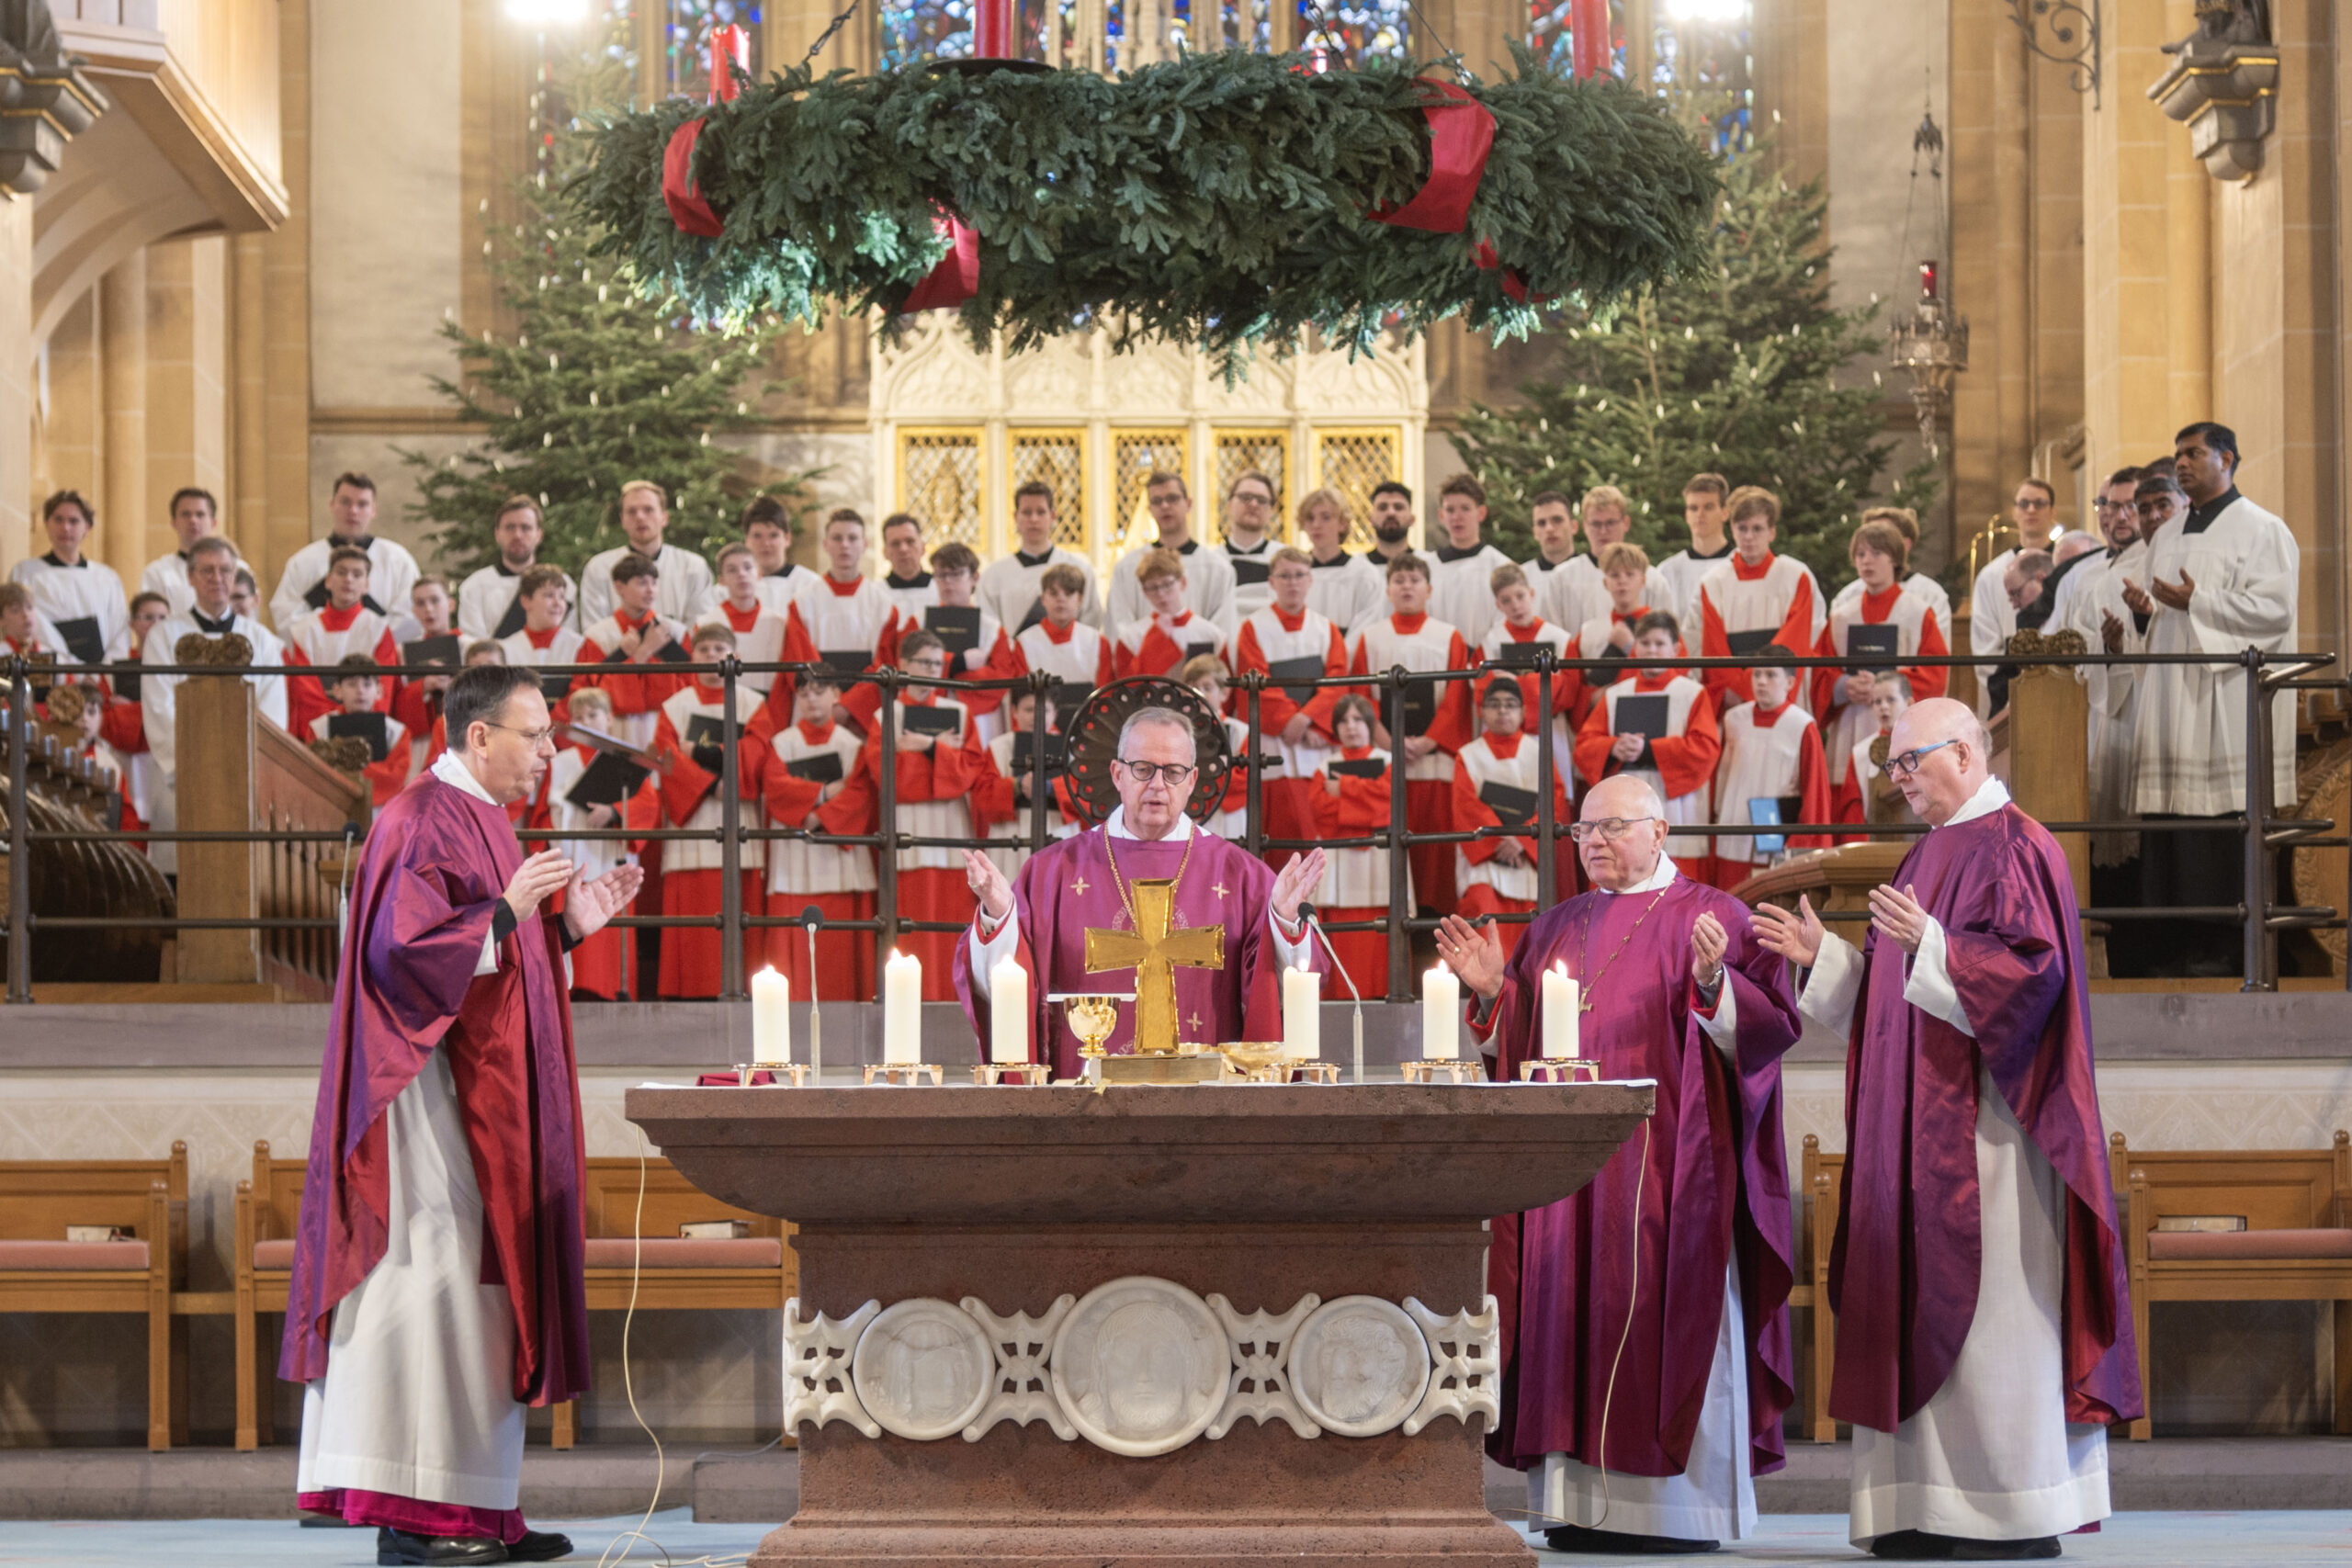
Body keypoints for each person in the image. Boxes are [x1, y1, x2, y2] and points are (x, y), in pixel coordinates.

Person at [1754, 697, 2140, 1558]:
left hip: (1991, 1137)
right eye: (1890, 765)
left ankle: (2005, 1512)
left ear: (1965, 753)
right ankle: (1919, 1506)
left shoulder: (2017, 844)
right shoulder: (1925, 853)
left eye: (1909, 760)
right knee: (1910, 1309)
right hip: (1909, 1135)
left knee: (1993, 1321)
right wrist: (1827, 962)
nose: (1896, 779)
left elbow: (2033, 980)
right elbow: (1892, 1004)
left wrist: (1937, 947)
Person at [284, 662, 640, 1566]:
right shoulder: (419, 817)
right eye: (536, 734)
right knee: (430, 1289)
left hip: (472, 1098)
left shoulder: (480, 815)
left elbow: (495, 964)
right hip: (422, 1106)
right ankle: (417, 1524)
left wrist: (561, 929)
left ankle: (480, 1510)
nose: (550, 750)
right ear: (479, 736)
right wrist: (507, 914)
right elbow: (400, 954)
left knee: (476, 1302)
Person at [1440, 772, 1801, 1557]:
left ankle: (1676, 1512)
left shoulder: (1717, 916)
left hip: (1672, 1165)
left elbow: (1769, 1030)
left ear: (1660, 831)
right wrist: (1494, 997)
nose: (1594, 842)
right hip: (1568, 1180)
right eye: (1583, 830)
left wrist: (1715, 984)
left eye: (1612, 827)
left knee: (1665, 1316)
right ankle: (1577, 1504)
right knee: (1569, 1319)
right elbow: (1522, 1046)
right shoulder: (1555, 926)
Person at [955, 705, 1327, 1075]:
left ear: (1192, 780)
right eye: (1143, 769)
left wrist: (1284, 922)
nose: (1158, 785)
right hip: (1084, 1097)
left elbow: (1281, 994)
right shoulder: (1052, 872)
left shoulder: (1242, 876)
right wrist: (998, 918)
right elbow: (1004, 983)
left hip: (1207, 1096)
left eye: (1173, 772)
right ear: (1117, 774)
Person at [2126, 422, 2301, 978]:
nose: (2181, 463)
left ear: (2226, 459)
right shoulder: (2167, 534)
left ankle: (2227, 947)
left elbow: (2275, 610)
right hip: (2172, 700)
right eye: (2177, 454)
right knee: (2172, 828)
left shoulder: (2263, 529)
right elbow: (2161, 615)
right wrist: (2143, 615)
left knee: (2221, 827)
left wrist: (2199, 602)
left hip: (2222, 701)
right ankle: (2173, 943)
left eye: (2193, 453)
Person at [827, 630, 987, 998]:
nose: (929, 670)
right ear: (903, 665)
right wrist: (942, 753)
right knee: (910, 916)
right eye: (922, 662)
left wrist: (922, 746)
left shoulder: (959, 712)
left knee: (951, 914)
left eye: (936, 664)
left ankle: (953, 995)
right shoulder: (886, 715)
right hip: (906, 825)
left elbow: (968, 772)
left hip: (950, 824)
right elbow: (888, 777)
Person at [142, 536, 288, 877]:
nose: (217, 578)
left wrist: (238, 763)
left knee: (240, 875)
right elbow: (160, 710)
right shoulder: (164, 636)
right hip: (183, 779)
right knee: (181, 877)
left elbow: (271, 714)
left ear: (235, 577)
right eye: (207, 571)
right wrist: (200, 765)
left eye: (225, 570)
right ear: (190, 577)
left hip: (244, 779)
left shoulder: (261, 640)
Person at [1347, 553, 1475, 915]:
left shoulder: (1448, 636)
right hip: (1388, 758)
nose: (1407, 587)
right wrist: (1386, 741)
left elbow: (1456, 697)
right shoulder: (1371, 638)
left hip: (1434, 762)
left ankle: (1436, 922)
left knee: (1435, 849)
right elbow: (1361, 697)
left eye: (1414, 580)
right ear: (1388, 589)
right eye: (1399, 580)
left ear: (1428, 589)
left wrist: (1429, 740)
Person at [650, 624, 768, 998]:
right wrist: (714, 785)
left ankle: (744, 990)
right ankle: (691, 992)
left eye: (720, 648)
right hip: (694, 824)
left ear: (735, 656)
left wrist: (702, 753)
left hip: (739, 819)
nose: (712, 655)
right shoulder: (675, 706)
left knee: (740, 909)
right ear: (693, 657)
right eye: (704, 649)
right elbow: (667, 759)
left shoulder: (753, 703)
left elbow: (757, 755)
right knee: (694, 914)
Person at [2068, 473, 2163, 919]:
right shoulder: (2090, 574)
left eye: (2130, 506)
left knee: (2142, 835)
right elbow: (2074, 641)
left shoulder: (2156, 561)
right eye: (2109, 505)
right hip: (2104, 715)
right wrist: (2104, 646)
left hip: (2144, 709)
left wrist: (2124, 641)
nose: (2119, 516)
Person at [1230, 548, 1351, 859]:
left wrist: (1308, 720)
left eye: (1299, 575)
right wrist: (1293, 722)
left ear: (1310, 580)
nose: (1292, 583)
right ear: (1271, 582)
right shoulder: (1253, 628)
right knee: (1281, 839)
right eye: (1284, 576)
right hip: (1276, 746)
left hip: (1316, 743)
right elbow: (1255, 683)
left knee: (1321, 837)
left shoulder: (1326, 629)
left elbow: (1337, 682)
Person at [758, 671, 874, 995]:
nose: (811, 699)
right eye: (804, 693)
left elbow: (860, 793)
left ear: (836, 694)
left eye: (819, 691)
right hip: (794, 852)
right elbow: (776, 788)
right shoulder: (781, 742)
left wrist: (816, 816)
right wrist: (824, 793)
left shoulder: (853, 744)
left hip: (837, 851)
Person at [1574, 613, 1720, 865]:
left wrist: (1649, 749)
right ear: (1635, 648)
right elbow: (1585, 745)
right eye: (1644, 643)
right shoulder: (1615, 694)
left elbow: (1705, 749)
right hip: (1623, 804)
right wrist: (1612, 748)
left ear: (1675, 650)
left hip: (1674, 805)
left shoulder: (1692, 693)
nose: (1652, 650)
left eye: (1659, 643)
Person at [542, 685, 657, 1000]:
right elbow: (542, 813)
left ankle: (613, 991)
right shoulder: (559, 760)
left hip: (609, 856)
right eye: (578, 717)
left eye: (593, 715)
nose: (586, 722)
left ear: (609, 718)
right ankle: (567, 994)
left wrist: (615, 812)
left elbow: (648, 804)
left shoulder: (626, 758)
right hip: (572, 859)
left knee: (609, 940)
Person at [1813, 519, 1949, 772]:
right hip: (1851, 724)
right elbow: (1818, 674)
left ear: (1895, 558)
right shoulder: (1841, 617)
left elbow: (1935, 674)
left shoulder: (1918, 613)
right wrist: (1843, 686)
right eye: (1860, 554)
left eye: (1876, 553)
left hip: (1903, 726)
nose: (1866, 561)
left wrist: (1883, 687)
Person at [1449, 678, 1570, 958]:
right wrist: (1502, 843)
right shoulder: (1468, 755)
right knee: (1482, 917)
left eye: (1510, 705)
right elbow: (1466, 807)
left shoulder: (1539, 753)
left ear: (1523, 712)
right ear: (1481, 711)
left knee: (1530, 935)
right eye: (1494, 705)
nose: (1502, 711)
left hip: (1526, 859)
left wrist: (1522, 841)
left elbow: (1553, 801)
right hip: (1485, 863)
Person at [1710, 648, 1832, 890]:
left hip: (1776, 834)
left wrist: (1803, 842)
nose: (1761, 681)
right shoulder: (1734, 719)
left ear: (1790, 682)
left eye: (1770, 675)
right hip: (1733, 828)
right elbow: (1719, 778)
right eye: (1757, 674)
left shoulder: (1802, 725)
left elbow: (1814, 789)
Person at [1694, 486, 1825, 708]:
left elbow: (1795, 641)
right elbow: (1713, 648)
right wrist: (1733, 691)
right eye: (1742, 528)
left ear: (1772, 532)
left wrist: (1751, 689)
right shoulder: (1713, 582)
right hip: (1733, 702)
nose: (1748, 537)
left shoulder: (1795, 577)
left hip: (1782, 696)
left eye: (1757, 529)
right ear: (1732, 529)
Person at [863, 539, 1010, 732]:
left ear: (975, 577)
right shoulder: (918, 622)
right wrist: (958, 663)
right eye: (941, 575)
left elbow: (1000, 679)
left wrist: (937, 670)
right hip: (925, 714)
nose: (947, 582)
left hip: (979, 719)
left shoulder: (992, 628)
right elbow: (906, 667)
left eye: (955, 574)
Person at [1306, 694, 1399, 998]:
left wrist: (1344, 788)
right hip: (1340, 859)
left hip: (1378, 857)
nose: (1351, 726)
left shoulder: (1389, 762)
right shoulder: (1325, 766)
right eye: (1343, 721)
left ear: (1370, 725)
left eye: (1358, 719)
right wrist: (1366, 802)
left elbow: (1389, 805)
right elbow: (1321, 811)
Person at [269, 472, 421, 634]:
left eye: (362, 504)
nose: (353, 511)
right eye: (345, 502)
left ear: (373, 510)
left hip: (380, 648)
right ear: (332, 505)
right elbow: (285, 617)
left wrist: (368, 633)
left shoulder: (397, 559)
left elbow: (411, 617)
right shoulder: (303, 561)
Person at [574, 554, 690, 750]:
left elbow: (688, 690)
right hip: (617, 730)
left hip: (667, 728)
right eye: (642, 583)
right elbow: (596, 698)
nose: (651, 590)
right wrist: (642, 654)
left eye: (654, 583)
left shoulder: (675, 632)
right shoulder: (598, 636)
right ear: (619, 587)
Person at [281, 546, 401, 736]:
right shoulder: (304, 631)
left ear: (366, 585)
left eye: (357, 574)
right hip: (319, 731)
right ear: (328, 581)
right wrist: (335, 722)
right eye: (341, 572)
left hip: (366, 729)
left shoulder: (379, 630)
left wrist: (353, 721)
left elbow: (382, 689)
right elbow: (305, 692)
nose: (348, 579)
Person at [971, 686, 1082, 881]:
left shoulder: (1070, 748)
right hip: (1011, 833)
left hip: (1058, 830)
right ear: (1014, 711)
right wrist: (1017, 785)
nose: (1036, 717)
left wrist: (1050, 787)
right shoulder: (998, 747)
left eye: (1044, 710)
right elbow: (983, 795)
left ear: (1055, 713)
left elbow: (1084, 793)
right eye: (1029, 710)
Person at [1106, 471, 1236, 636]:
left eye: (1172, 498)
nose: (1165, 506)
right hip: (1145, 652)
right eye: (1157, 501)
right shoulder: (1128, 567)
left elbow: (1222, 632)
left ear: (1188, 503)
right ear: (1149, 509)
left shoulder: (1217, 568)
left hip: (1200, 652)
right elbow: (1120, 628)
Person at [1969, 478, 2056, 716]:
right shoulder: (1992, 575)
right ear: (2014, 512)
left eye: (2039, 503)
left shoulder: (2067, 567)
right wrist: (2013, 689)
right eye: (2024, 504)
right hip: (2008, 694)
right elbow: (1985, 647)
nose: (2031, 510)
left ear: (2053, 511)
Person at [578, 479, 714, 629]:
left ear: (664, 518)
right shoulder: (599, 568)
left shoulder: (693, 567)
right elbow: (594, 629)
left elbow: (702, 627)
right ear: (623, 521)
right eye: (632, 511)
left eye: (648, 510)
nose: (640, 517)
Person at [15, 490, 129, 663]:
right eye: (58, 520)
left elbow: (120, 631)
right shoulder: (25, 573)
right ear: (46, 524)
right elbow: (24, 626)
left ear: (87, 527)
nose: (65, 527)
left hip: (99, 674)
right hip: (49, 670)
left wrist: (101, 672)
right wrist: (68, 668)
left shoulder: (107, 578)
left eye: (73, 521)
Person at [977, 480, 1103, 635]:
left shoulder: (1080, 569)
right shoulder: (994, 576)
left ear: (1053, 516)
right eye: (1027, 512)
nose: (1034, 519)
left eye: (1041, 512)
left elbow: (1091, 623)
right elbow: (988, 630)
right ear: (1015, 517)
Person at [786, 509, 894, 681]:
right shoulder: (802, 603)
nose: (844, 545)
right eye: (837, 538)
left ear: (865, 545)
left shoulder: (884, 606)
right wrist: (826, 694)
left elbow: (885, 666)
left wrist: (851, 699)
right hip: (816, 695)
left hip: (868, 696)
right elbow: (800, 660)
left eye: (853, 538)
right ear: (826, 545)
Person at [1562, 542, 1663, 725]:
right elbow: (1575, 684)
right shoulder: (1589, 631)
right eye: (1614, 575)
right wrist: (1592, 697)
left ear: (1643, 581)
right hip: (1602, 722)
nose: (1622, 581)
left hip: (1651, 718)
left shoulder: (1663, 628)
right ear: (1605, 583)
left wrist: (1630, 648)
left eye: (1629, 574)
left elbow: (1675, 676)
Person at [1005, 564, 1114, 727]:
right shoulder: (1024, 643)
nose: (1061, 599)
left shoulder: (1097, 642)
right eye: (1053, 593)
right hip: (1040, 729)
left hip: (1089, 727)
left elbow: (1106, 694)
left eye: (1069, 593)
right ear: (1043, 598)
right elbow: (1021, 697)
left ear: (1080, 599)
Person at [458, 496, 577, 642]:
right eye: (510, 528)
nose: (517, 535)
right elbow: (474, 646)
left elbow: (569, 641)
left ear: (539, 535)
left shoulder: (562, 584)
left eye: (526, 528)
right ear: (497, 534)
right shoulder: (474, 586)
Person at [690, 494, 817, 623]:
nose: (766, 543)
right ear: (746, 540)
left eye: (773, 535)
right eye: (757, 536)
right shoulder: (724, 591)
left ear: (787, 538)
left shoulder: (809, 585)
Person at [309, 657, 415, 807]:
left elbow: (394, 777)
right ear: (337, 691)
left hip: (380, 810)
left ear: (379, 691)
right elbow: (314, 772)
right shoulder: (319, 729)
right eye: (352, 684)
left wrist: (344, 773)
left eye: (367, 684)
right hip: (332, 807)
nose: (360, 691)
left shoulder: (397, 733)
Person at [1423, 475, 1513, 649]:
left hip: (1484, 660)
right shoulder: (1428, 567)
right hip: (1437, 656)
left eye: (1465, 509)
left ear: (1481, 513)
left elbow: (1506, 622)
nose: (1457, 517)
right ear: (1441, 516)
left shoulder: (1500, 566)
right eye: (1450, 510)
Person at [699, 542, 800, 697]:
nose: (741, 574)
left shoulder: (779, 623)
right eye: (732, 570)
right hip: (720, 703)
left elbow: (788, 678)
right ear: (721, 580)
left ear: (759, 574)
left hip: (769, 704)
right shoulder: (705, 624)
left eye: (747, 567)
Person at [1829, 506, 1952, 630]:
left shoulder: (1930, 594)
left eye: (1878, 548)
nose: (1867, 559)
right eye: (1862, 552)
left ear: (1904, 545)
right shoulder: (1847, 597)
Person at [1113, 548, 1228, 679]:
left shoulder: (1211, 634)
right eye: (1153, 587)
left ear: (1182, 583)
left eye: (1167, 584)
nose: (1161, 593)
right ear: (1144, 591)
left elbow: (1223, 684)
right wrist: (1157, 636)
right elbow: (1127, 684)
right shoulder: (1131, 637)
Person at [141, 487, 246, 620]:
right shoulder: (157, 573)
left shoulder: (239, 569)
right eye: (186, 514)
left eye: (200, 514)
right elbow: (149, 621)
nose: (193, 520)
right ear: (174, 522)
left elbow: (248, 617)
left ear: (213, 522)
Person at [1834, 674, 1917, 840]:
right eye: (1877, 702)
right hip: (1876, 844)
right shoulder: (1861, 753)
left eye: (1890, 700)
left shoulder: (1924, 745)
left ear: (1909, 703)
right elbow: (1853, 813)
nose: (1883, 707)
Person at [497, 567, 589, 717]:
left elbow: (580, 693)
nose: (558, 603)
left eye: (562, 597)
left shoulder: (580, 645)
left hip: (567, 727)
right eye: (549, 595)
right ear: (526, 601)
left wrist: (551, 722)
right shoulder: (505, 649)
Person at [1295, 487, 1385, 636]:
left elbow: (1368, 624)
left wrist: (1339, 649)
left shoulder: (1364, 574)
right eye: (1310, 518)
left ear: (1342, 523)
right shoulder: (1293, 574)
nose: (1316, 525)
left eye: (1326, 517)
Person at [1655, 472, 1736, 628]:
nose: (1700, 514)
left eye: (1708, 507)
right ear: (1686, 515)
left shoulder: (1740, 565)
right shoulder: (1667, 572)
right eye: (1693, 508)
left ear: (1725, 513)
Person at [1984, 550, 2055, 716]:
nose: (2015, 605)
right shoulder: (2025, 624)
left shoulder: (2064, 616)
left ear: (2040, 578)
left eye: (2016, 593)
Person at [1206, 469, 1282, 626]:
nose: (1253, 504)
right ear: (1229, 505)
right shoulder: (1210, 562)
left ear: (1271, 510)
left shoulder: (1284, 559)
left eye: (1261, 500)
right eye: (1245, 497)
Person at [876, 513, 936, 626]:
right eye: (895, 544)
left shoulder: (940, 589)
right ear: (885, 552)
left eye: (910, 541)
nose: (903, 549)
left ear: (923, 547)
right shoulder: (875, 594)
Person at [1364, 479, 1417, 571]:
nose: (1391, 513)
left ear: (1412, 519)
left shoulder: (1429, 565)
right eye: (1382, 507)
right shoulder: (1355, 568)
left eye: (1398, 507)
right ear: (1371, 520)